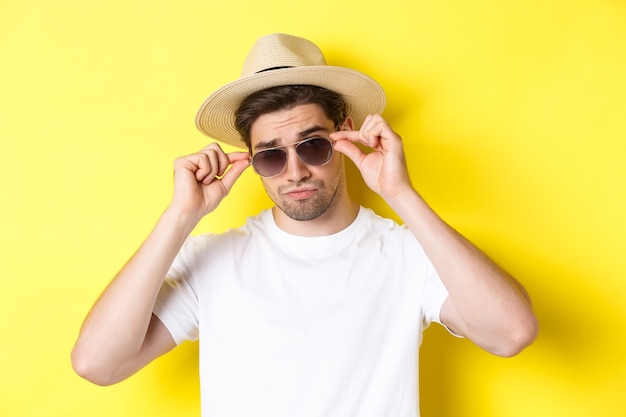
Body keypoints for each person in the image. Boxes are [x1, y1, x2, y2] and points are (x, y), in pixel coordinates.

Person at [71, 33, 538, 416]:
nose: (294, 171)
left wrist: (402, 194)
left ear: (346, 132)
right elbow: (96, 363)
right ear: (252, 160)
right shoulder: (210, 260)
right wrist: (180, 216)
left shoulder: (407, 254)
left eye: (312, 145)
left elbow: (511, 333)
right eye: (271, 156)